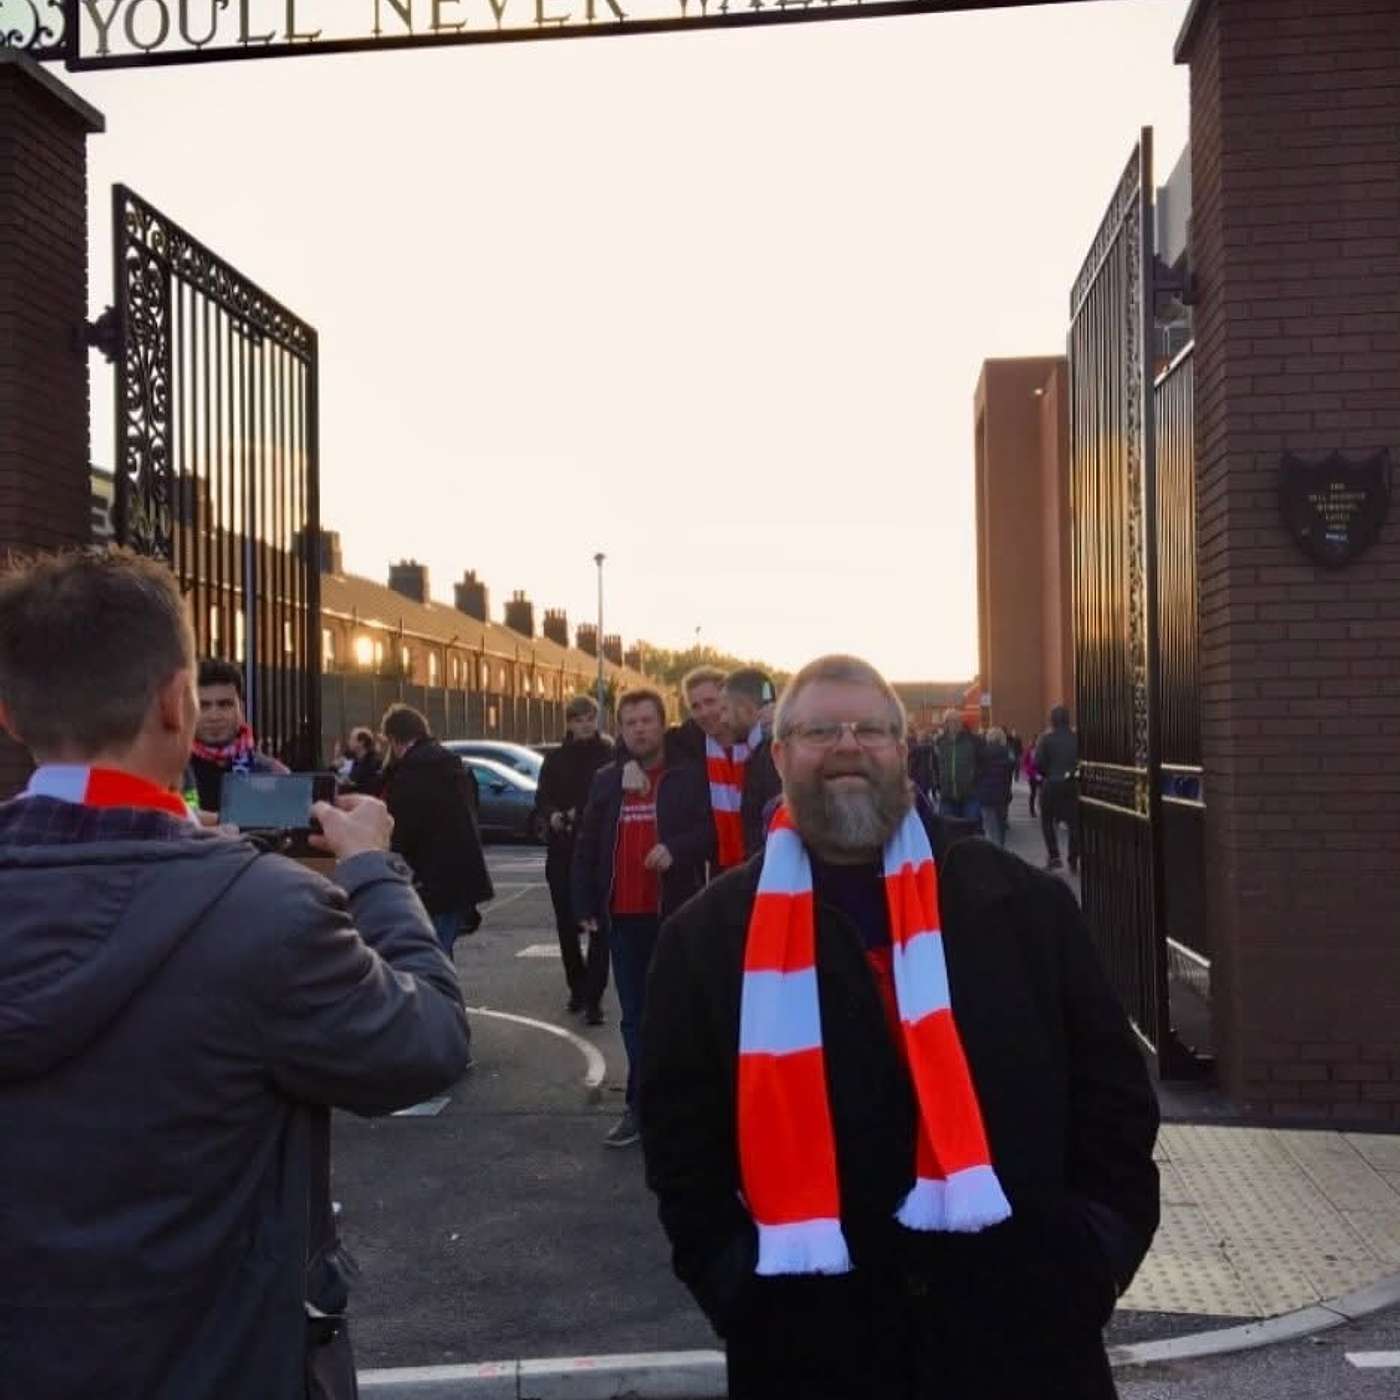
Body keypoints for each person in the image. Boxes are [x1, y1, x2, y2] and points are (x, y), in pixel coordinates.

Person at [0, 548, 471, 1400]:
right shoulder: (267, 915)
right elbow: (427, 1044)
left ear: (11, 716)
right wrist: (373, 870)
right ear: (177, 705)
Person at [640, 653, 1159, 1400]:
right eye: (821, 731)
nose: (848, 747)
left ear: (902, 748)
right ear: (780, 755)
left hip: (1024, 1345)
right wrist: (740, 1293)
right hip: (816, 1351)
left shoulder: (1021, 906)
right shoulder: (707, 939)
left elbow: (1114, 1100)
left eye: (871, 730)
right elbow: (681, 1147)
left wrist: (1093, 1259)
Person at [572, 687, 713, 1148]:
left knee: (677, 1014)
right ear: (621, 728)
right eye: (630, 722)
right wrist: (585, 903)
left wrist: (676, 848)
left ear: (662, 723)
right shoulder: (607, 781)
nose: (638, 729)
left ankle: (681, 1104)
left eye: (647, 721)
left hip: (673, 915)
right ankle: (641, 1105)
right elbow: (588, 844)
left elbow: (709, 833)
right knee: (634, 1018)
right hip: (623, 917)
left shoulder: (688, 777)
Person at [380, 703, 494, 956]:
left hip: (430, 880)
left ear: (394, 739)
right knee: (441, 952)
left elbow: (401, 834)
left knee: (431, 956)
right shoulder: (454, 766)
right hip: (461, 876)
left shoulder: (409, 775)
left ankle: (440, 996)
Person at [534, 695, 615, 1023]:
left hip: (598, 849)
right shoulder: (555, 759)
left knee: (600, 924)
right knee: (567, 923)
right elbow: (542, 798)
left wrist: (582, 814)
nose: (584, 724)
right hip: (563, 849)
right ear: (568, 722)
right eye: (578, 719)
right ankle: (577, 987)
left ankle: (594, 997)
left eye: (589, 718)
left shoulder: (608, 756)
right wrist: (553, 815)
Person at [184, 657, 288, 814]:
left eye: (224, 704)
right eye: (203, 706)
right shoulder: (170, 774)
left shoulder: (273, 774)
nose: (214, 716)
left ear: (242, 708)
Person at [719, 667, 782, 857]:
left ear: (746, 709)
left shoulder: (771, 755)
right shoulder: (763, 752)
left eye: (725, 709)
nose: (722, 719)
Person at [1035, 705, 1081, 874]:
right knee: (1074, 823)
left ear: (1052, 720)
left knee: (1047, 821)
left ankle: (1054, 857)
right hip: (1071, 784)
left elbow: (1039, 763)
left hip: (1051, 785)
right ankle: (1073, 858)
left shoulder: (1046, 739)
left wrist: (1049, 774)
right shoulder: (1077, 738)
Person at [933, 708, 982, 824]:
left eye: (957, 721)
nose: (954, 724)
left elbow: (983, 763)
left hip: (970, 796)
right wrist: (938, 784)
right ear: (945, 724)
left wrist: (976, 781)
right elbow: (935, 765)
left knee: (971, 832)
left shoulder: (973, 741)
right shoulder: (939, 742)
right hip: (947, 796)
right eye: (951, 721)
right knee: (947, 833)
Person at [976, 725, 1015, 848]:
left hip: (985, 795)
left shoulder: (982, 752)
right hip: (1002, 795)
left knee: (989, 829)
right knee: (1001, 828)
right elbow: (1011, 771)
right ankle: (1000, 852)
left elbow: (977, 773)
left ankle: (992, 854)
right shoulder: (1008, 752)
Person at [343, 726, 383, 794]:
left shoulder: (374, 763)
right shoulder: (356, 761)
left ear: (361, 742)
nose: (349, 742)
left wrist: (352, 784)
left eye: (352, 739)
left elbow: (371, 788)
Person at [1022, 741, 1043, 818]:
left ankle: (1041, 808)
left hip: (1042, 775)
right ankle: (1032, 810)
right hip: (1033, 776)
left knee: (1042, 793)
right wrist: (1031, 774)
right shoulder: (1030, 751)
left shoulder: (1044, 752)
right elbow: (1025, 763)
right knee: (1033, 793)